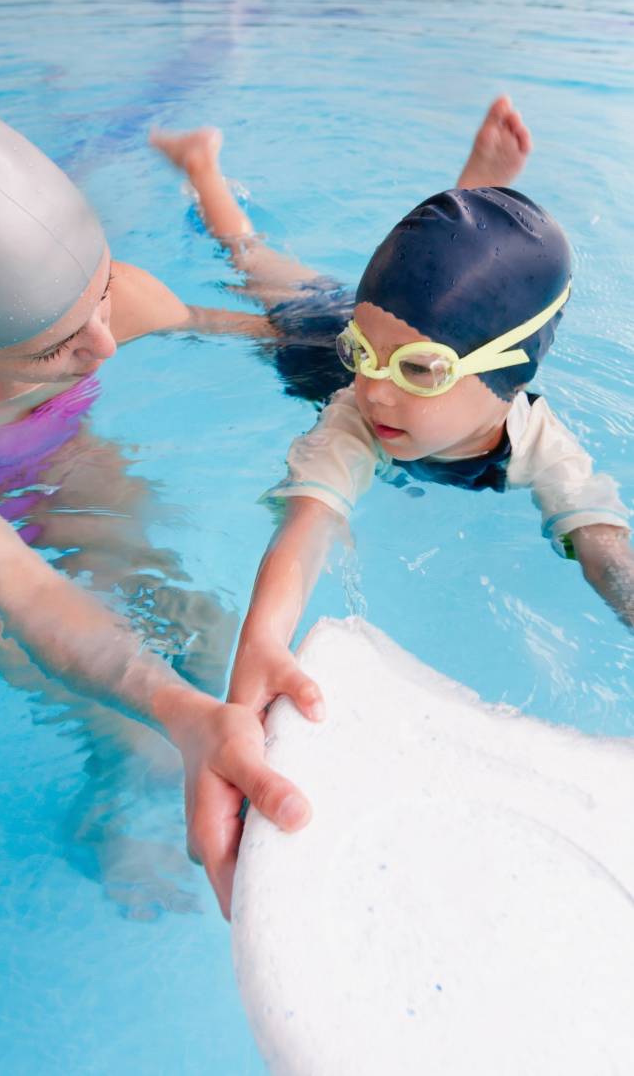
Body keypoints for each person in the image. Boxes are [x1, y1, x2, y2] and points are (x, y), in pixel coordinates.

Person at [0, 86, 530, 917]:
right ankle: (103, 800)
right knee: (84, 690)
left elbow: (288, 341)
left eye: (99, 295)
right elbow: (25, 591)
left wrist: (422, 365)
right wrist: (174, 714)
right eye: (58, 346)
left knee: (203, 639)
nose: (105, 341)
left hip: (55, 452)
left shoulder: (114, 301)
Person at [228, 185, 634, 899]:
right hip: (309, 343)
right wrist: (262, 638)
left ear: (511, 375)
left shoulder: (536, 439)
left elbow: (602, 544)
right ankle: (207, 180)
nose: (378, 391)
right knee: (261, 279)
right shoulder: (354, 411)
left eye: (421, 369)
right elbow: (308, 526)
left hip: (383, 316)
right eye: (368, 357)